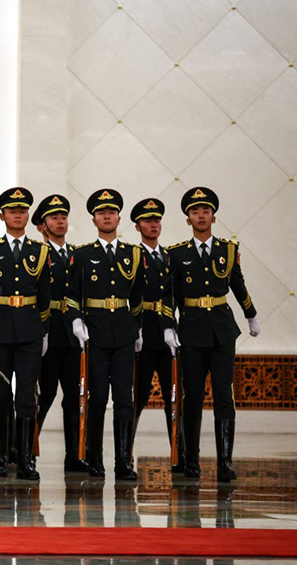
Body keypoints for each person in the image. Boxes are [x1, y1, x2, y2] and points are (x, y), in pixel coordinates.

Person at [167, 187, 257, 482]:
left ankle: (225, 462)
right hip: (191, 333)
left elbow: (238, 285)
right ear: (187, 219)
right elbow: (170, 295)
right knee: (191, 397)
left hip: (222, 331)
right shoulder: (177, 254)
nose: (201, 215)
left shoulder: (228, 251)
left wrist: (251, 314)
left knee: (224, 397)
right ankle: (191, 459)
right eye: (195, 211)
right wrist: (170, 324)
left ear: (213, 217)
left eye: (205, 210)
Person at [66, 189, 144, 481]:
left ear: (119, 218)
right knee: (97, 399)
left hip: (124, 334)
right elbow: (72, 295)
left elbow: (137, 296)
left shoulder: (133, 254)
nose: (107, 216)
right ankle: (95, 458)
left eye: (111, 212)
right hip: (95, 334)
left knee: (125, 399)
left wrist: (137, 328)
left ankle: (123, 461)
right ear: (94, 219)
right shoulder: (83, 254)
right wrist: (76, 321)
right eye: (101, 213)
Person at [0, 187, 50, 480]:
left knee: (26, 396)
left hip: (31, 330)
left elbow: (45, 293)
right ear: (2, 216)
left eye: (22, 210)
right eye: (11, 211)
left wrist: (43, 330)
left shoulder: (40, 249)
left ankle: (25, 459)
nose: (17, 214)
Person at [32, 194, 85, 472]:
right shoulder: (39, 255)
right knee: (46, 393)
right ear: (43, 226)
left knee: (75, 396)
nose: (60, 221)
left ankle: (74, 454)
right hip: (49, 331)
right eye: (54, 217)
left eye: (63, 216)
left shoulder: (78, 254)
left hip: (73, 335)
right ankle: (28, 448)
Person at [130, 198, 183, 472]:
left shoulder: (170, 257)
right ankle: (126, 454)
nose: (154, 225)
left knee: (174, 396)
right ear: (138, 226)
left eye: (157, 220)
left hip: (167, 335)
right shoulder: (132, 256)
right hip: (143, 333)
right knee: (136, 397)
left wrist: (173, 327)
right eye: (148, 221)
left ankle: (179, 454)